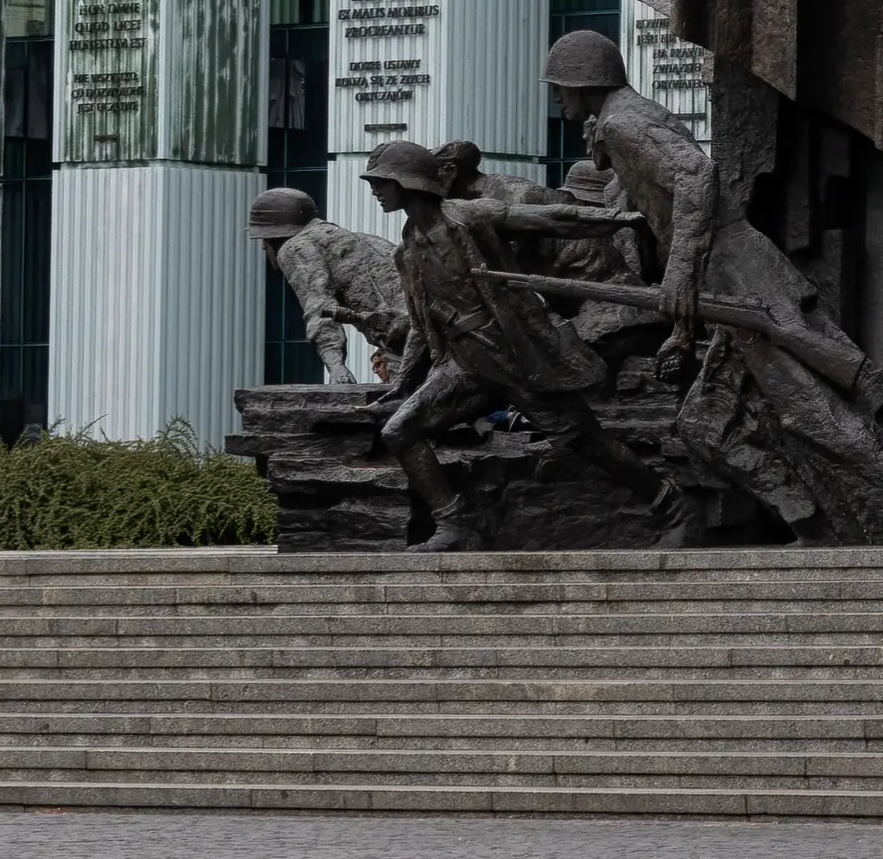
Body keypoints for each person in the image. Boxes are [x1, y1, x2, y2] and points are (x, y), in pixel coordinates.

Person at [542, 29, 883, 545]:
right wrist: (684, 329)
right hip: (724, 275)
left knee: (808, 405)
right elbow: (636, 207)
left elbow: (695, 177)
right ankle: (816, 525)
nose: (557, 98)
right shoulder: (618, 124)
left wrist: (683, 273)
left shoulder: (624, 123)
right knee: (707, 423)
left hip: (739, 273)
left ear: (584, 82)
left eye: (561, 86)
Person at [363, 137, 674, 552]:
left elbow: (548, 218)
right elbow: (423, 324)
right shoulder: (407, 252)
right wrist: (403, 385)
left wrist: (624, 219)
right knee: (400, 430)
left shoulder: (466, 217)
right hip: (464, 362)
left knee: (586, 441)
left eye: (382, 181)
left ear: (410, 183)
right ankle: (456, 524)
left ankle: (670, 504)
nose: (374, 190)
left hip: (514, 356)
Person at [250, 186, 408, 386]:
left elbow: (320, 309)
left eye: (264, 239)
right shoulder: (359, 239)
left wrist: (336, 366)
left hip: (406, 339)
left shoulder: (294, 248)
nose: (264, 247)